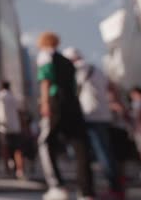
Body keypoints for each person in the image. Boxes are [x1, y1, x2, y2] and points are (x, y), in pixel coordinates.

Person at [35, 32, 94, 200]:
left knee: (46, 143)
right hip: (73, 103)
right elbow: (75, 86)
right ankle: (86, 191)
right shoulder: (67, 61)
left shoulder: (45, 56)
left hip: (56, 102)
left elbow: (45, 80)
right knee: (80, 145)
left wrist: (45, 103)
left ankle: (57, 186)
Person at [63, 47, 124, 199]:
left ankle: (114, 186)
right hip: (103, 114)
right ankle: (115, 183)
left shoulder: (77, 68)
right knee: (105, 150)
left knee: (94, 152)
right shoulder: (96, 69)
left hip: (89, 115)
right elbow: (112, 87)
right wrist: (115, 103)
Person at [0, 81, 24, 179]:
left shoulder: (0, 96)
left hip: (4, 127)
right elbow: (20, 111)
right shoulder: (14, 97)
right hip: (15, 126)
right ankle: (19, 170)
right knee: (17, 149)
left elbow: (0, 111)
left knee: (5, 149)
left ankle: (7, 169)